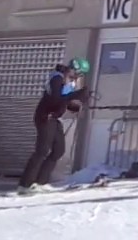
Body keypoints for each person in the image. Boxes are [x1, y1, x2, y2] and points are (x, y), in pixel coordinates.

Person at [17, 57, 91, 193]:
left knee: (58, 150)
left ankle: (41, 182)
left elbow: (65, 103)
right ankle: (25, 185)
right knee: (42, 150)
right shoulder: (56, 78)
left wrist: (78, 103)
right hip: (45, 116)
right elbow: (55, 99)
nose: (79, 77)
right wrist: (75, 94)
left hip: (55, 117)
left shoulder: (70, 83)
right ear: (73, 69)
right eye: (79, 73)